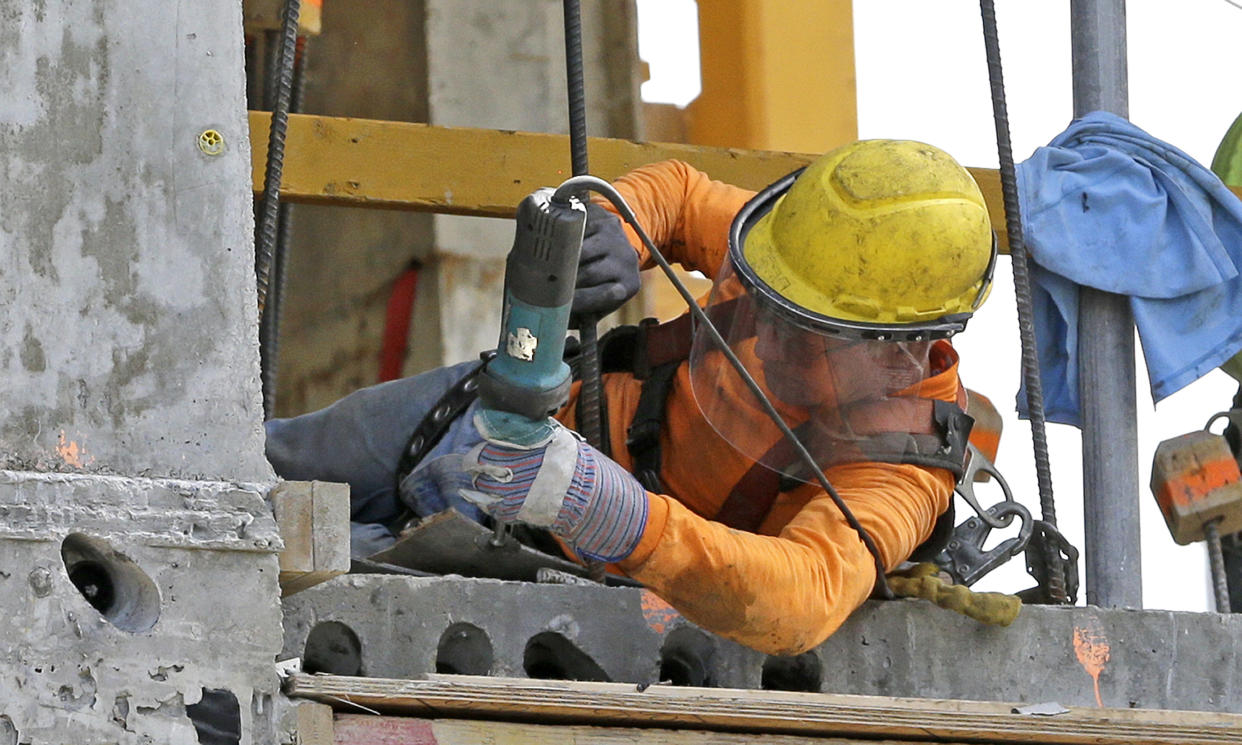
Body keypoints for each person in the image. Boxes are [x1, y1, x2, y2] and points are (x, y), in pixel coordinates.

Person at [265, 139, 996, 655]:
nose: (768, 338)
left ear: (899, 354)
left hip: (550, 556)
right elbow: (678, 194)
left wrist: (612, 512)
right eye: (767, 303)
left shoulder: (901, 471)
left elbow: (801, 599)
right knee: (267, 460)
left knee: (286, 575)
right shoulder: (797, 251)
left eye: (803, 333)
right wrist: (618, 230)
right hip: (497, 418)